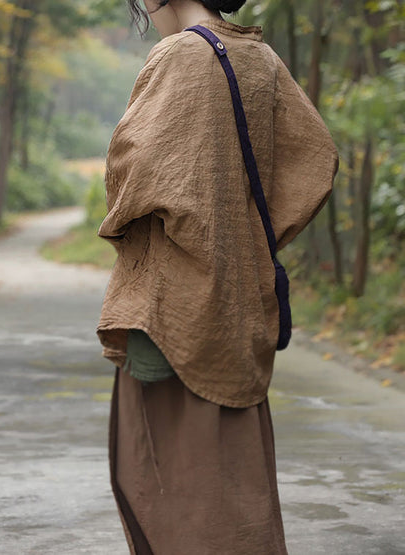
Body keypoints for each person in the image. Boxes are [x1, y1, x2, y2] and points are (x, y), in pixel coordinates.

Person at [96, 0, 339, 552]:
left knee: (166, 483)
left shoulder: (182, 55)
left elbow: (136, 172)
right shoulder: (261, 58)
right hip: (239, 299)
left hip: (174, 307)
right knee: (234, 478)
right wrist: (246, 241)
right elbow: (315, 157)